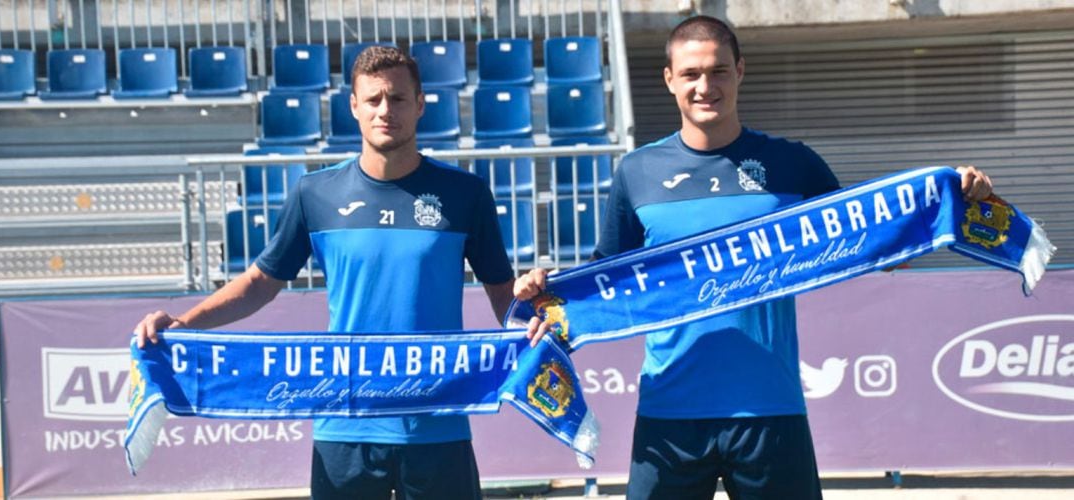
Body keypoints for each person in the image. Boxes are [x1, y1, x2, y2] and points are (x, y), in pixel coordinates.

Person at [514, 15, 994, 500]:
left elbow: (875, 246)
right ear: (669, 80)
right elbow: (604, 282)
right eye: (691, 74)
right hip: (670, 414)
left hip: (770, 410)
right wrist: (544, 290)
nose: (706, 86)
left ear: (740, 70)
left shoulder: (793, 164)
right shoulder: (637, 172)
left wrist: (952, 204)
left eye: (719, 71)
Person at [135, 46, 516, 500]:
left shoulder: (465, 194)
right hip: (345, 424)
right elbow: (260, 282)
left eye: (397, 99)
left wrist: (542, 321)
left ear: (420, 104)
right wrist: (182, 325)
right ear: (353, 106)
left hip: (436, 422)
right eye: (372, 100)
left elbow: (504, 296)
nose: (384, 111)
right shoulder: (315, 193)